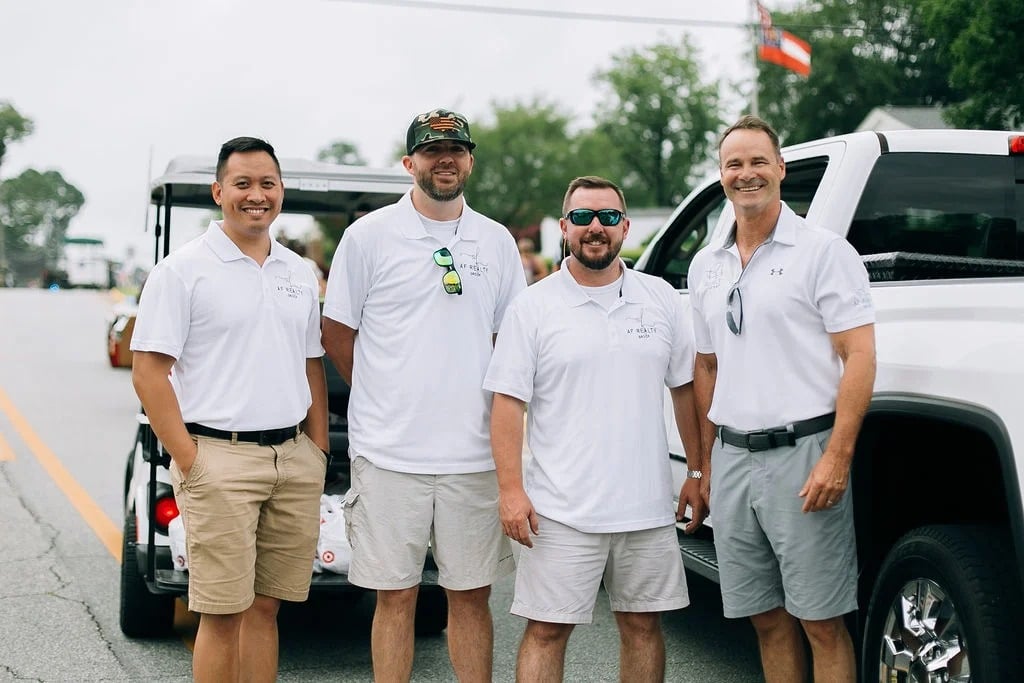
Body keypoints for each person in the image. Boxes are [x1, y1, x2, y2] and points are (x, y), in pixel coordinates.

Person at [321, 108, 526, 682]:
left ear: (470, 161)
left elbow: (508, 338)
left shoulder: (497, 241)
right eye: (432, 151)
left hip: (473, 455)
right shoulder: (368, 237)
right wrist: (385, 389)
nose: (445, 160)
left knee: (469, 598)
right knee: (396, 599)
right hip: (389, 455)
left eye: (456, 150)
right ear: (410, 162)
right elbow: (337, 331)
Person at [484, 175, 707, 682]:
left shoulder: (662, 299)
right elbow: (505, 403)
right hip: (559, 510)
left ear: (625, 227)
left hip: (646, 507)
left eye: (608, 217)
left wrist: (696, 469)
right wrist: (510, 491)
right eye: (583, 217)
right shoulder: (533, 306)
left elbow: (686, 390)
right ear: (565, 227)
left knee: (643, 625)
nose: (595, 228)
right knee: (546, 631)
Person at [130, 136, 329, 683]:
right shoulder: (183, 270)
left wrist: (317, 448)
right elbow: (148, 373)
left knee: (267, 609)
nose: (256, 195)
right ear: (220, 191)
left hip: (292, 458)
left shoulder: (297, 271)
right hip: (218, 458)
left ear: (281, 191)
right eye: (242, 184)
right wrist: (192, 461)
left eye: (267, 183)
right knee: (220, 614)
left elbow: (310, 362)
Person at [687, 115, 876, 683]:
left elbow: (859, 356)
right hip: (736, 459)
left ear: (781, 169)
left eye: (758, 162)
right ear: (722, 176)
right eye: (734, 164)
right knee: (765, 620)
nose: (747, 174)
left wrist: (837, 457)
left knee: (821, 621)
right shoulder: (706, 265)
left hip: (805, 454)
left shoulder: (823, 252)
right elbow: (706, 365)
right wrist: (707, 462)